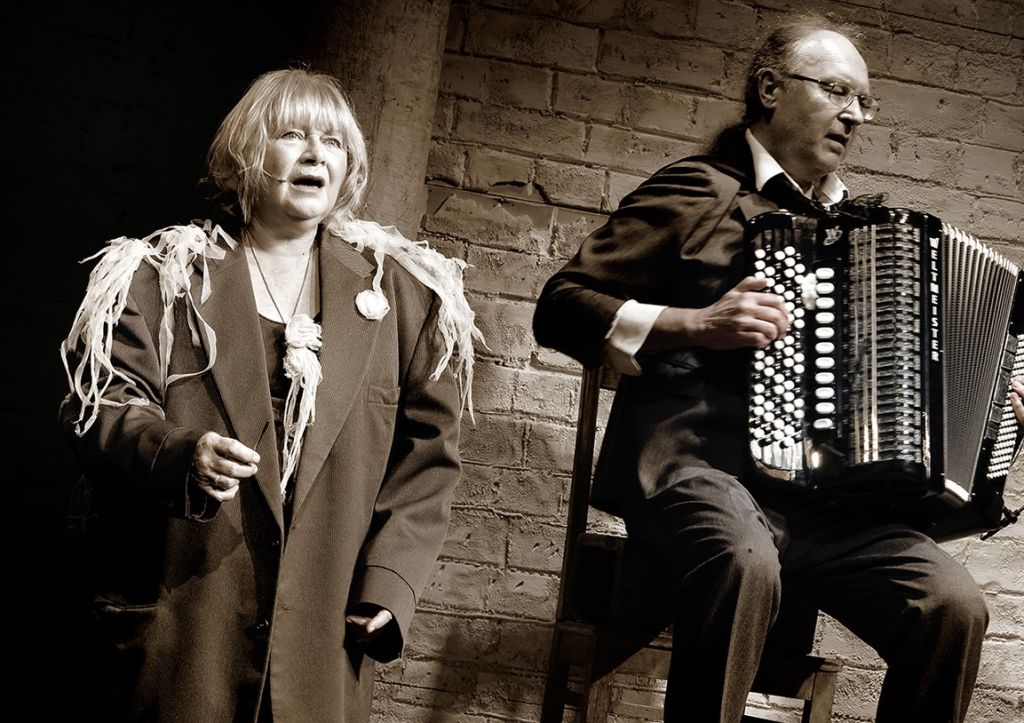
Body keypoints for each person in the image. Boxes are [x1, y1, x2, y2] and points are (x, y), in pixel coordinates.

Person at [534, 16, 1020, 723]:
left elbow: (899, 393)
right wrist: (697, 323)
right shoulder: (698, 192)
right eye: (837, 91)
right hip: (695, 472)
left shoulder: (864, 235)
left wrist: (993, 412)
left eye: (865, 101)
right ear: (769, 88)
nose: (856, 115)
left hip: (824, 509)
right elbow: (561, 306)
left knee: (952, 604)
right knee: (744, 559)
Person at [60, 68, 479, 722]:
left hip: (320, 643)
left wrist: (390, 582)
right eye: (292, 135)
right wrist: (181, 454)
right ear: (245, 156)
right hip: (186, 634)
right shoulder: (157, 277)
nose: (316, 154)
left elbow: (428, 457)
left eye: (333, 142)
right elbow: (102, 407)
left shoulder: (405, 296)